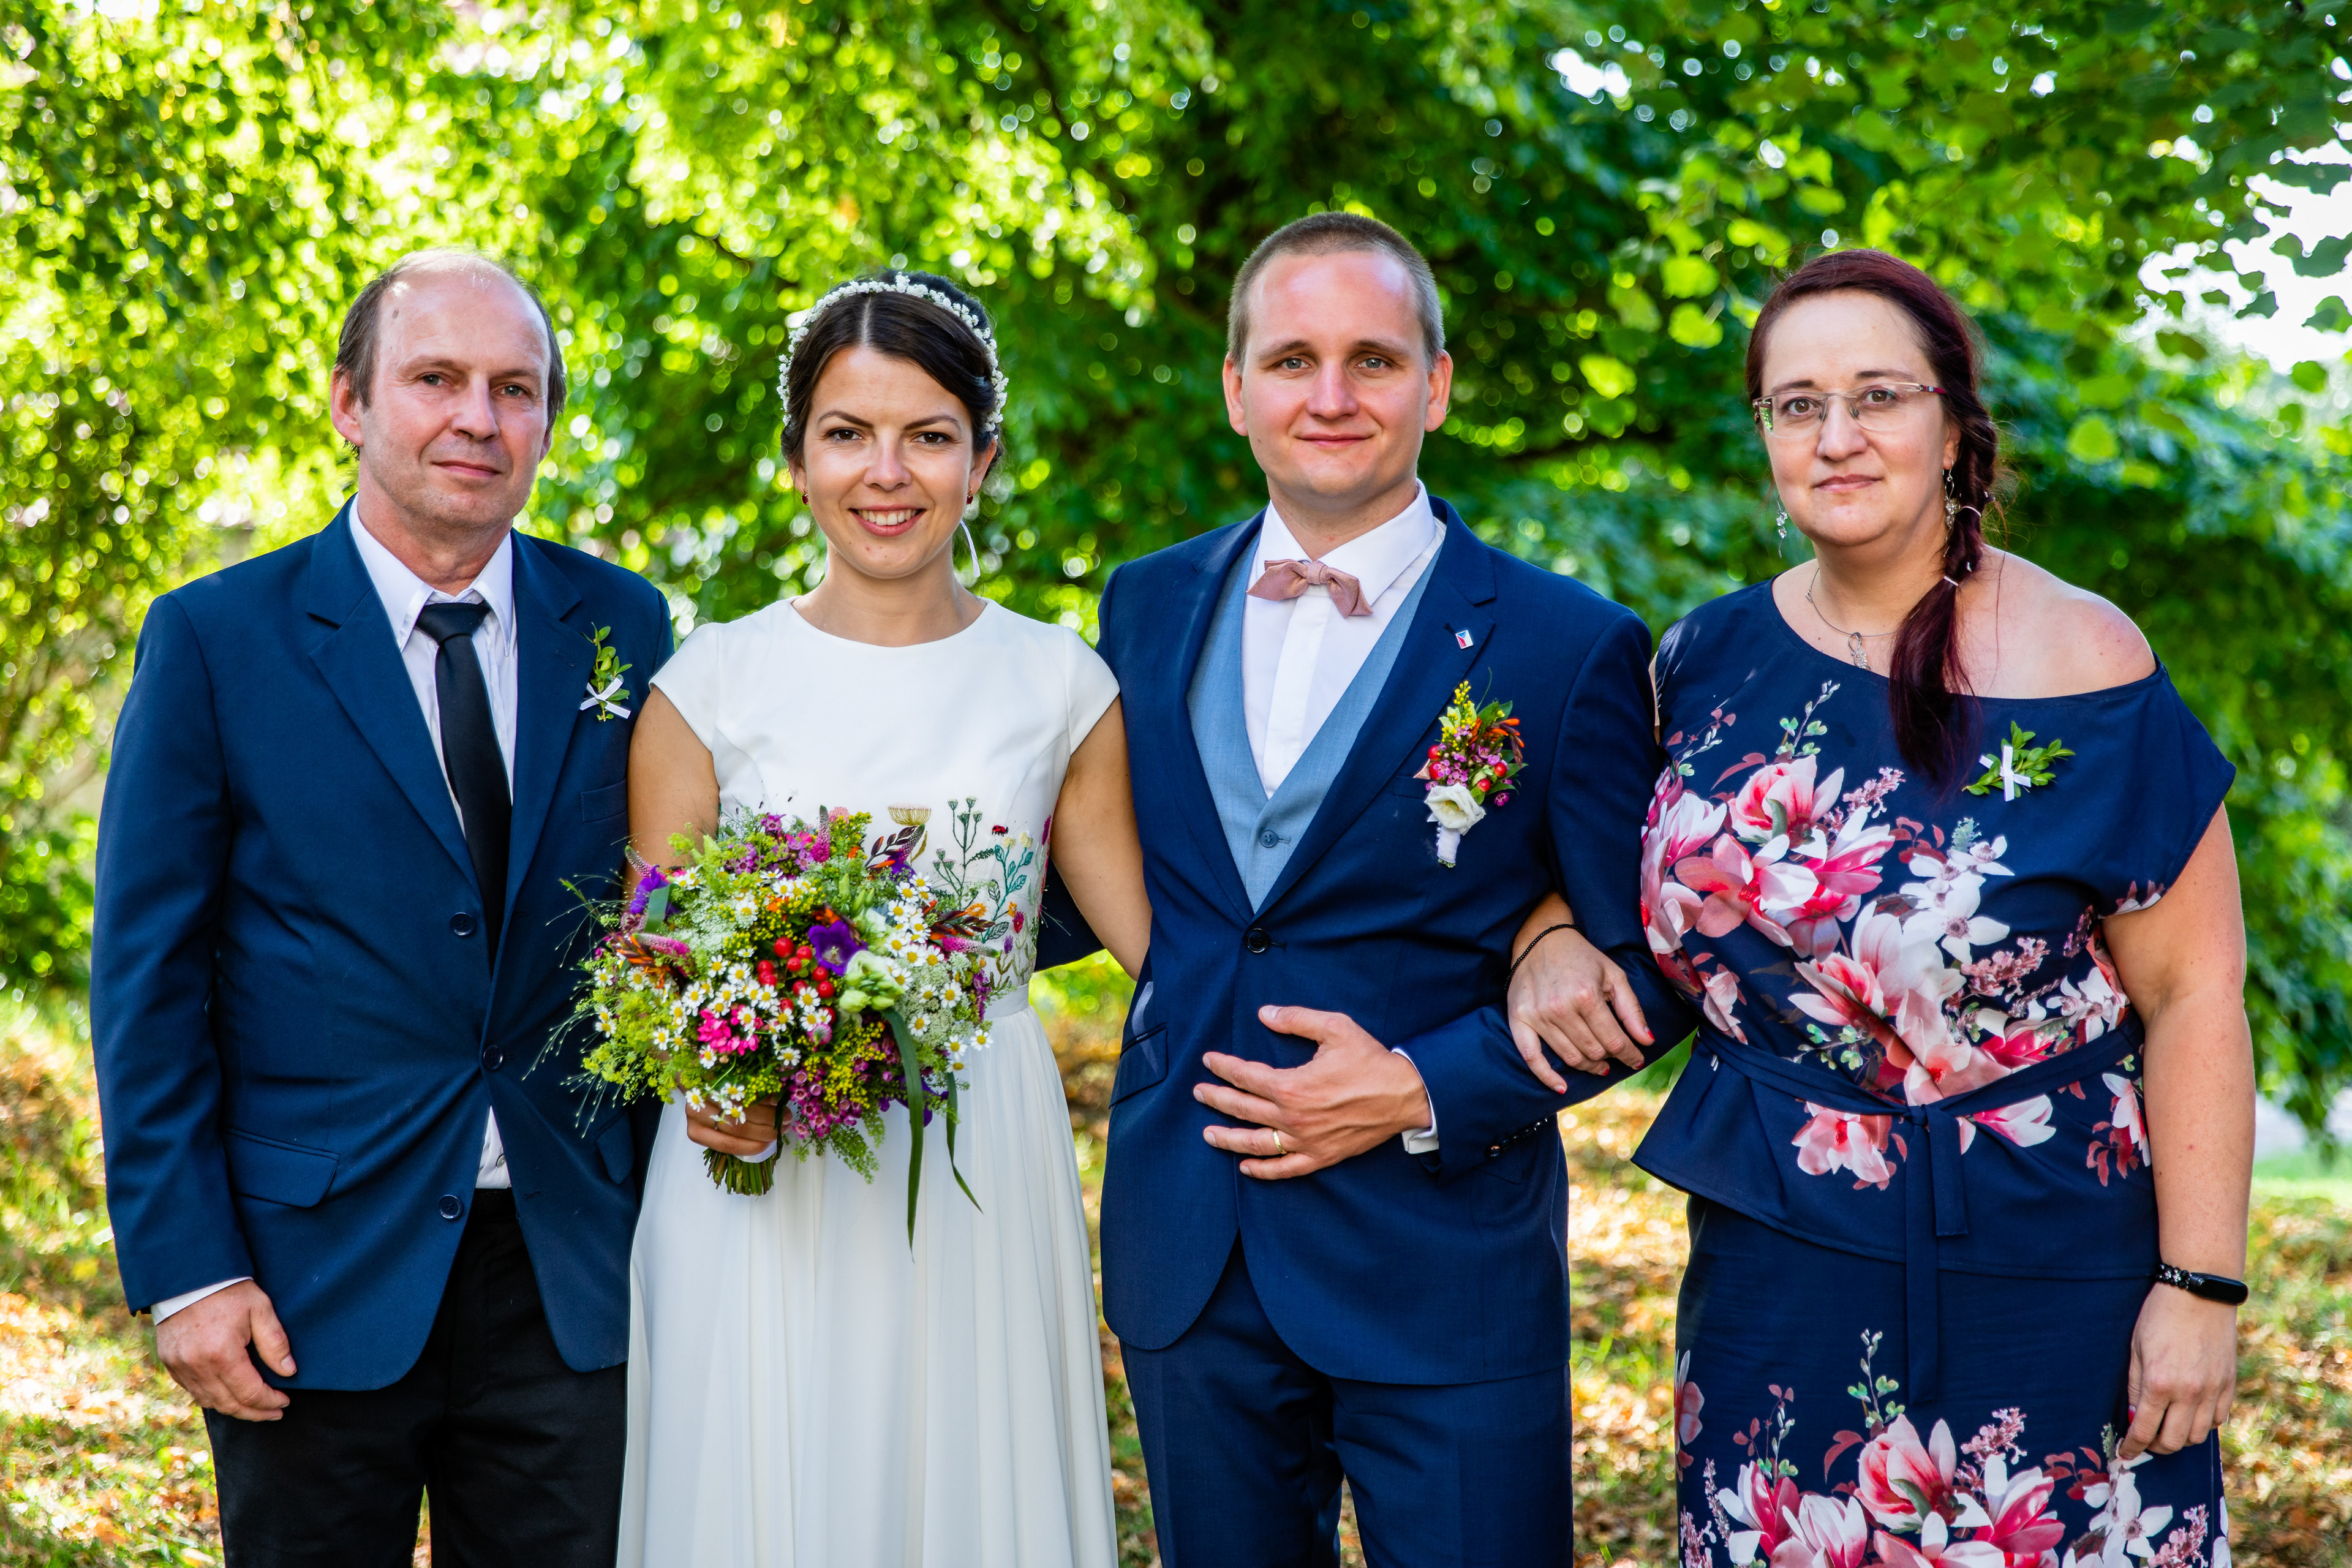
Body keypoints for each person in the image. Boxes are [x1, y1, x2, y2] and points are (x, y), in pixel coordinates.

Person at [1565, 248, 2248, 1567]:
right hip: (1773, 1265)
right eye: (1797, 404)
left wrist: (2200, 1284)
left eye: (1877, 396)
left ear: (1952, 426)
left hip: (2050, 1260)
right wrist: (1549, 935)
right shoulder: (1702, 659)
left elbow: (2194, 991)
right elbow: (1615, 880)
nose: (1837, 436)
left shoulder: (2088, 659)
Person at [1061, 211, 1680, 1568]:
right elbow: (1086, 859)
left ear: (1436, 385)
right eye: (1292, 360)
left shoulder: (1566, 644)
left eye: (1374, 360)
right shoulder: (1144, 606)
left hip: (1442, 1263)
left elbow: (1651, 969)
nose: (1330, 396)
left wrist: (1419, 1087)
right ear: (1236, 390)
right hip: (1192, 1246)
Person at [90, 249, 674, 1564]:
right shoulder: (218, 639)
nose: (480, 418)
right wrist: (189, 1269)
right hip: (308, 1276)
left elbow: (666, 915)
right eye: (436, 379)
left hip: (570, 1275)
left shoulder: (625, 627)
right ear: (351, 403)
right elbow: (147, 981)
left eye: (515, 389)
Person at [617, 271, 1152, 1567]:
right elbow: (652, 961)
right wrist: (713, 1077)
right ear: (798, 460)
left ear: (982, 461)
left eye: (929, 435)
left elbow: (1162, 950)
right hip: (759, 1179)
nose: (886, 472)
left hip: (981, 1154)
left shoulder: (1061, 683)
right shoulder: (707, 684)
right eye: (847, 433)